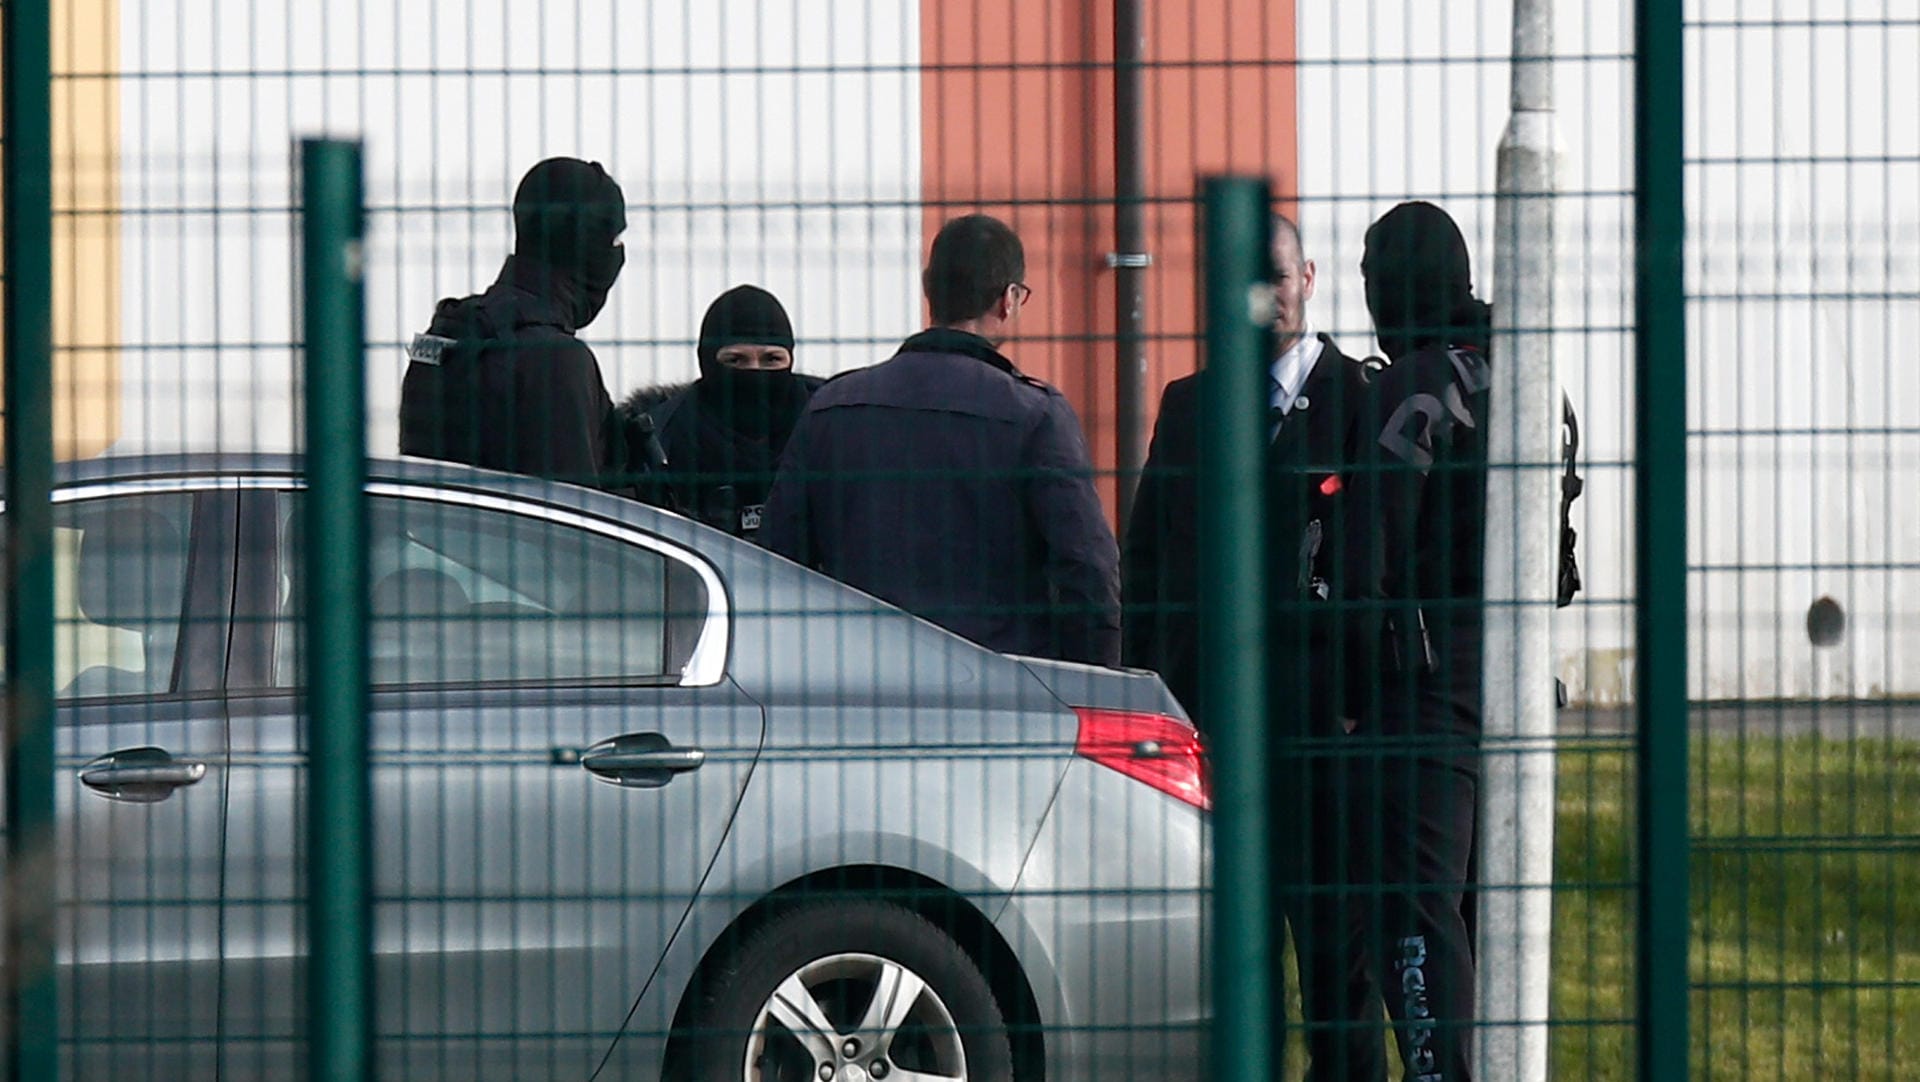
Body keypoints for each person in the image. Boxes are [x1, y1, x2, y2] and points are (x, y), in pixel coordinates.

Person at [1120, 213, 1380, 1079]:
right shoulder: (1192, 407)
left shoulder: (1363, 403)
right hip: (1217, 742)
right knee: (1240, 970)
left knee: (1342, 975)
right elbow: (1150, 564)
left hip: (1328, 745)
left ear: (1308, 276)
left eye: (1275, 275)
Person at [761, 213, 1120, 666]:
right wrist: (1097, 683)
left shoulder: (834, 406)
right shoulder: (1035, 415)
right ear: (1009, 299)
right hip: (998, 687)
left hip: (859, 683)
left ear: (929, 289)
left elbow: (777, 559)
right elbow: (1087, 569)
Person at [1318, 200, 1495, 1082]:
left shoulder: (1413, 388)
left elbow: (1364, 566)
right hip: (1516, 672)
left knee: (1413, 916)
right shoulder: (1534, 377)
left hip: (1419, 687)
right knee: (1488, 911)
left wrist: (1351, 701)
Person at [399, 157, 659, 492]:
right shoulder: (556, 359)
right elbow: (570, 522)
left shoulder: (449, 333)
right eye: (612, 240)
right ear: (584, 242)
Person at [620, 285, 822, 538]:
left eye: (772, 359)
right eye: (735, 360)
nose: (755, 372)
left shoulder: (827, 425)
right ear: (706, 361)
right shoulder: (658, 439)